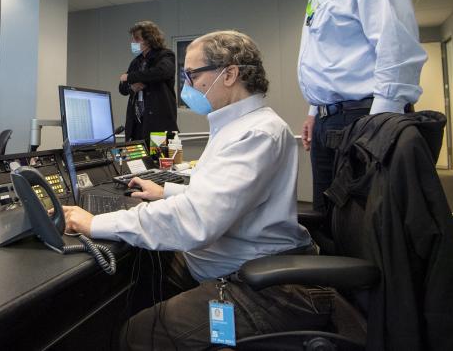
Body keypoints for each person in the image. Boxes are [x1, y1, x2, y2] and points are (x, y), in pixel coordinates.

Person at [64, 31, 333, 349]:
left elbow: (198, 219)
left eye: (192, 75)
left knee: (139, 333)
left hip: (265, 287)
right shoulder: (238, 126)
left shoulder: (256, 133)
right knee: (145, 269)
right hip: (234, 264)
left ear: (230, 74)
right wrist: (166, 193)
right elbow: (223, 197)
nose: (186, 87)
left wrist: (95, 223)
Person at [286, 0, 427, 212]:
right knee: (329, 219)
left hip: (362, 116)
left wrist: (380, 127)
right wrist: (314, 111)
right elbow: (327, 54)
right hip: (330, 119)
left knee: (362, 222)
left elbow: (396, 49)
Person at [118, 21, 178, 143]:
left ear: (149, 40)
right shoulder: (136, 62)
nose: (133, 43)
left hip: (158, 125)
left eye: (137, 39)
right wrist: (132, 88)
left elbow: (162, 72)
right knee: (135, 162)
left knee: (159, 161)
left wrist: (130, 77)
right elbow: (122, 88)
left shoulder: (165, 55)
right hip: (136, 124)